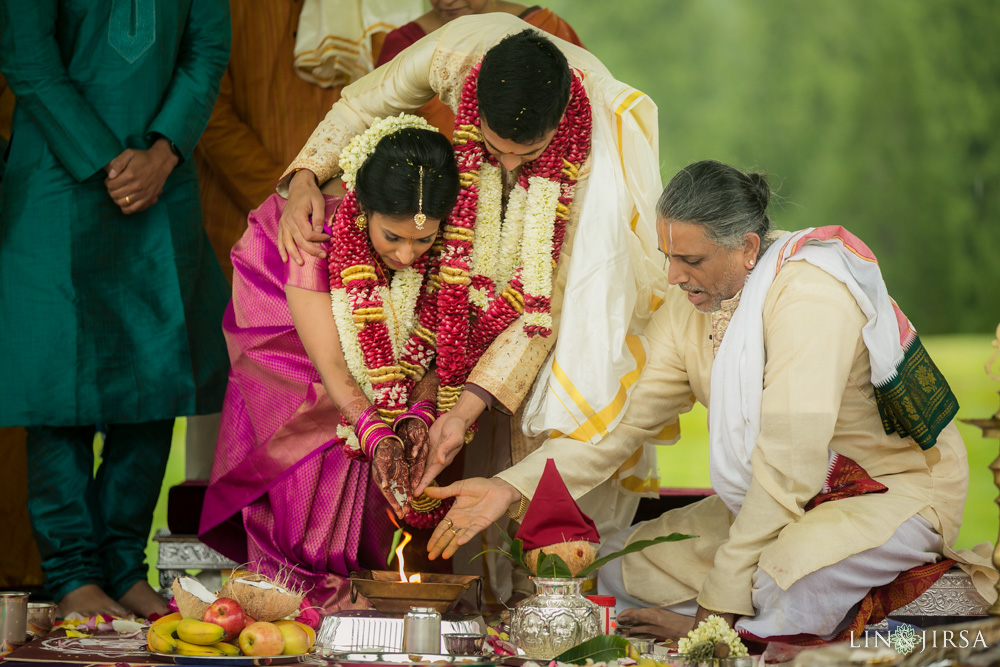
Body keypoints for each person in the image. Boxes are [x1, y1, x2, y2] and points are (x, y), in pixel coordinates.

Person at [424, 160, 997, 641]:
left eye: (690, 261)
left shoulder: (811, 298)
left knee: (781, 581)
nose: (672, 277)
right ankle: (720, 624)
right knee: (617, 570)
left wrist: (715, 609)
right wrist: (512, 484)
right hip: (772, 501)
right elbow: (618, 427)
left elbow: (790, 462)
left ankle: (729, 639)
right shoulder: (688, 311)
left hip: (886, 492)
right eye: (667, 257)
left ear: (748, 248)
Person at [276, 15, 667, 602]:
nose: (507, 168)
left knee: (540, 403)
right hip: (455, 241)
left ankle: (540, 597)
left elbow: (541, 308)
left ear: (559, 126)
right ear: (473, 105)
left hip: (549, 274)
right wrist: (306, 174)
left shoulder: (592, 156)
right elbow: (361, 107)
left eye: (525, 153)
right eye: (493, 148)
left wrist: (462, 411)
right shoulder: (453, 54)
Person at [0, 1, 231, 618]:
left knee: (156, 374)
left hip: (162, 178)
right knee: (57, 382)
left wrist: (163, 153)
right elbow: (27, 55)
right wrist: (107, 158)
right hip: (58, 173)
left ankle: (123, 567)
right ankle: (73, 573)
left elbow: (205, 51)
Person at [199, 115, 461, 612]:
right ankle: (296, 598)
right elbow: (335, 369)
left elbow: (438, 342)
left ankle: (364, 591)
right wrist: (375, 430)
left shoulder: (452, 243)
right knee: (319, 429)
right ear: (364, 209)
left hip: (383, 360)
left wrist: (418, 414)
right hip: (294, 342)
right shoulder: (315, 232)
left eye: (422, 240)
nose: (408, 254)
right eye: (393, 237)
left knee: (393, 442)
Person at [375, 1, 582, 139]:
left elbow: (581, 115)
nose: (446, 1)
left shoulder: (545, 27)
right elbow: (384, 126)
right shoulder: (404, 44)